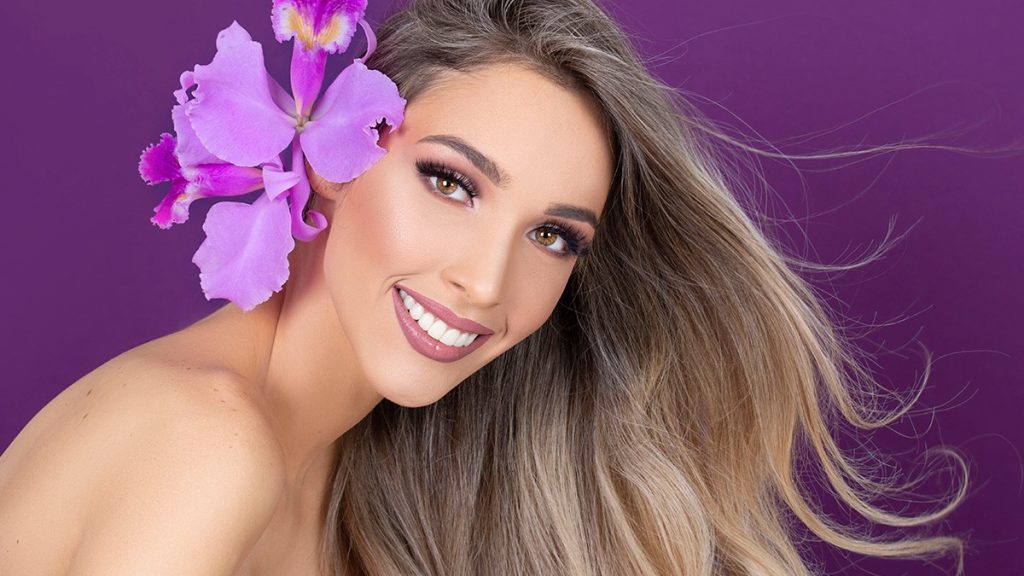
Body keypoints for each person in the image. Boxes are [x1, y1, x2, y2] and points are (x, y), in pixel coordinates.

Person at [0, 0, 968, 574]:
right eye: (452, 183)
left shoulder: (352, 483)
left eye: (552, 236)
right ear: (332, 155)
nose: (483, 281)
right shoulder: (208, 445)